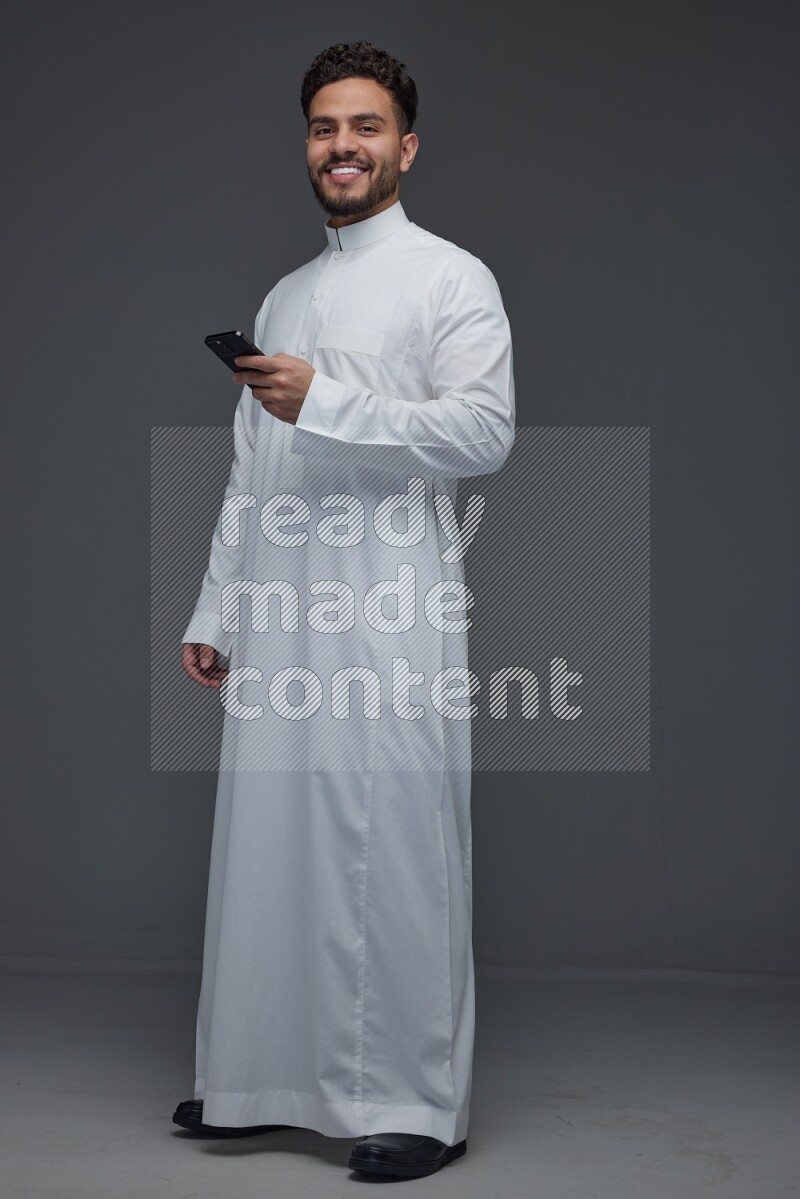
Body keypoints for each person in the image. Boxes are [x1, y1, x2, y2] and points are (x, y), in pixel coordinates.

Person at [173, 40, 516, 1180]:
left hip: (387, 608)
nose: (342, 146)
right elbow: (248, 471)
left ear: (404, 146)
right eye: (324, 128)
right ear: (307, 145)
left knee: (393, 844)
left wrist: (328, 398)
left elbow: (482, 433)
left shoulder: (448, 277)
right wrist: (216, 608)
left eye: (364, 127)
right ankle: (254, 1078)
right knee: (272, 845)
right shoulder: (286, 293)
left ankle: (418, 1103)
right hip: (284, 612)